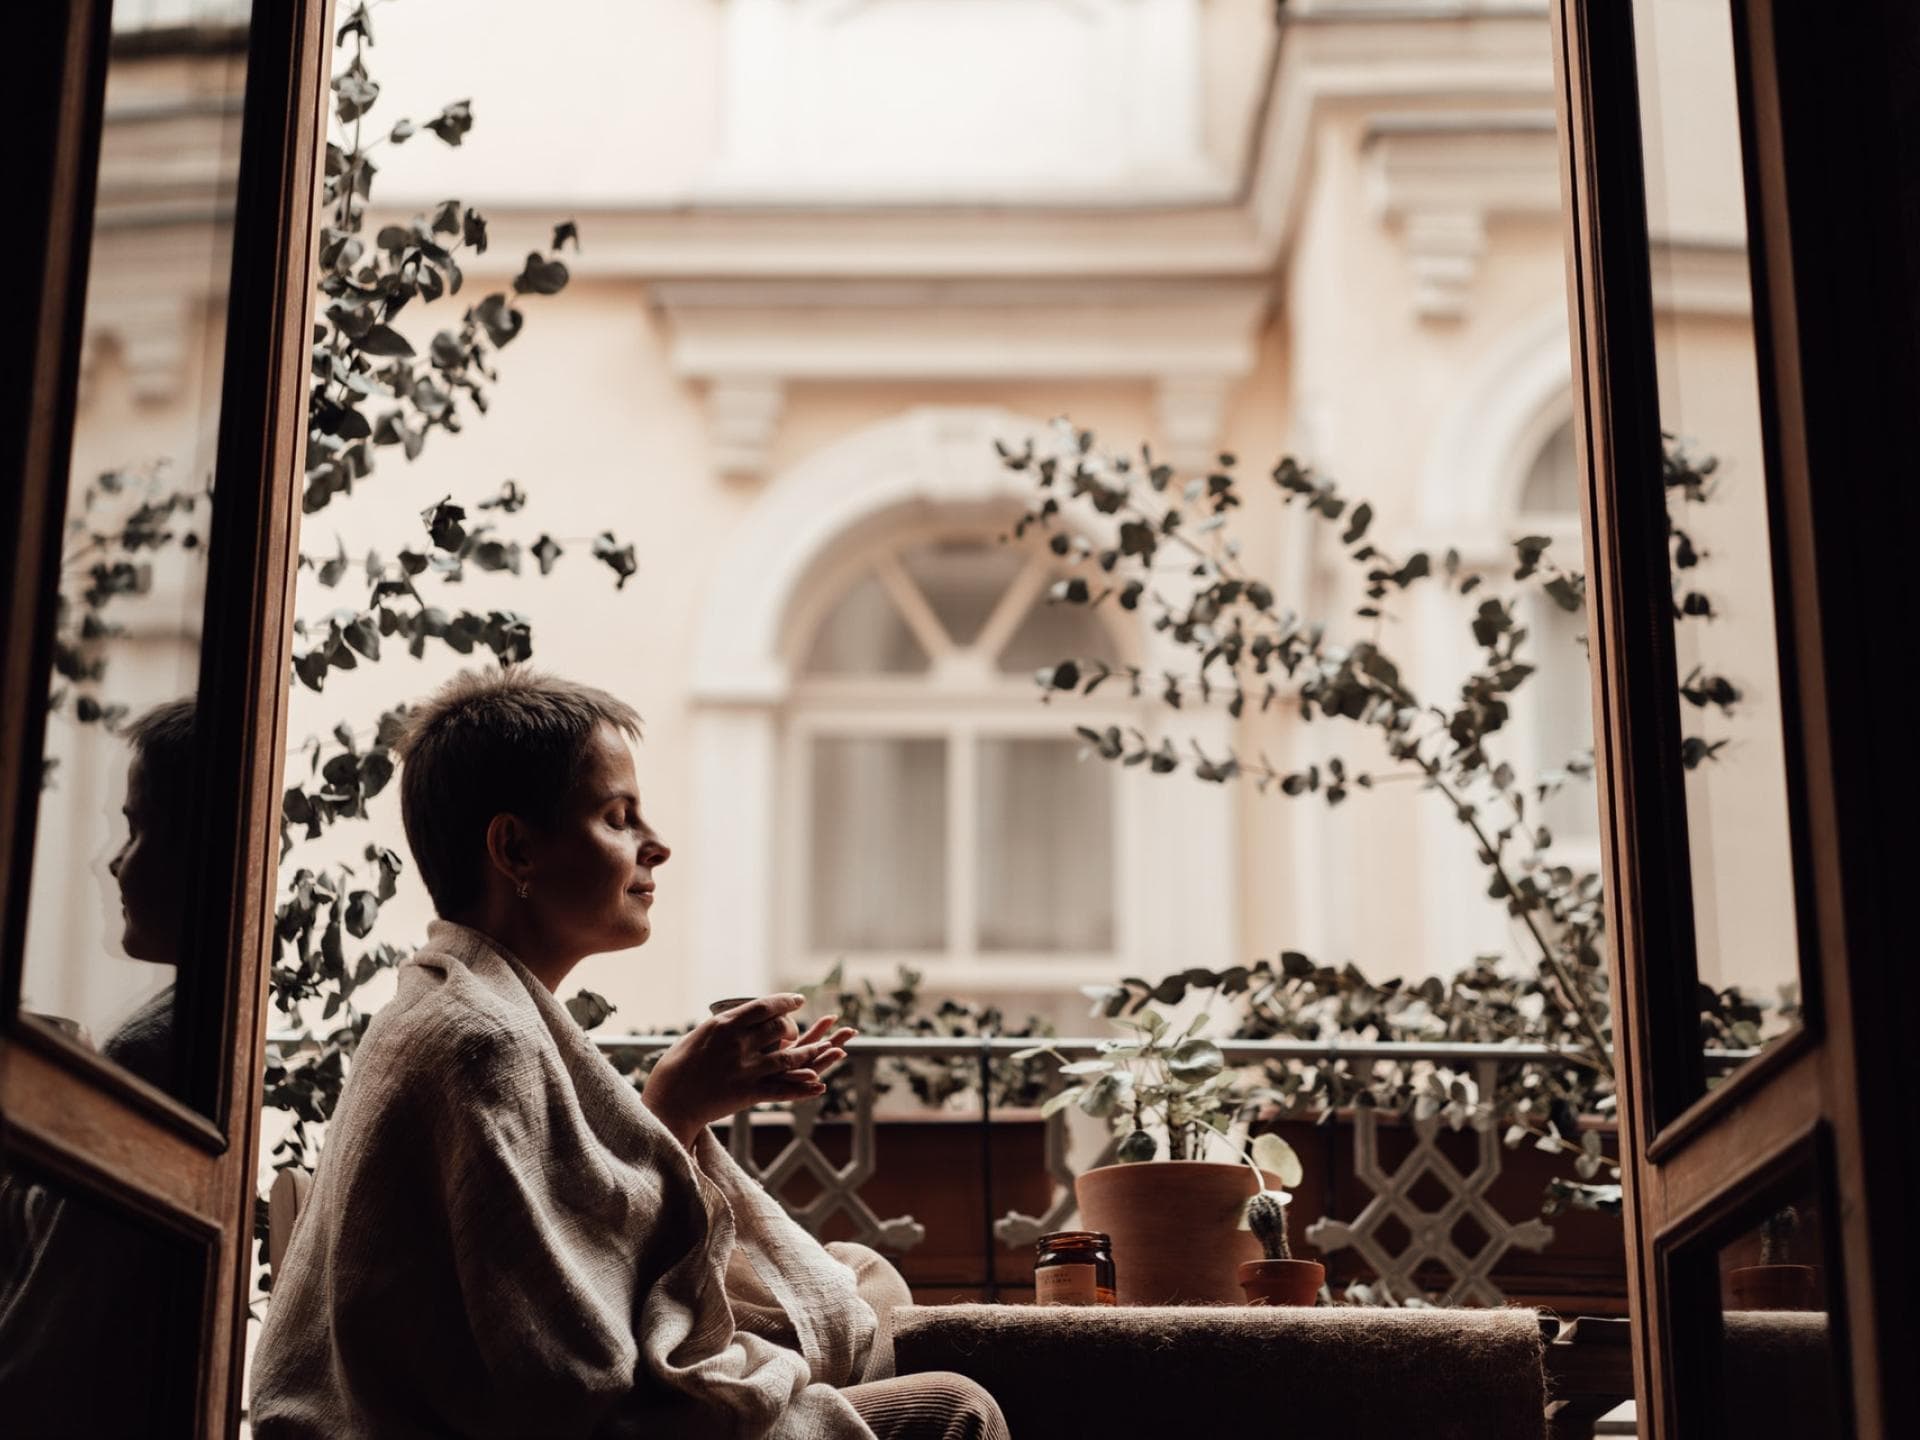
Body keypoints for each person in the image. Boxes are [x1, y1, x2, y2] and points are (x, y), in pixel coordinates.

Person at [251, 667, 1007, 1439]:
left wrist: (674, 1113)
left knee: (859, 1280)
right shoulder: (482, 1042)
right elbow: (573, 1371)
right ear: (514, 848)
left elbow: (565, 1257)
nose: (657, 846)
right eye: (618, 818)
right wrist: (672, 1112)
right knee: (952, 1409)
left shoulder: (461, 1004)